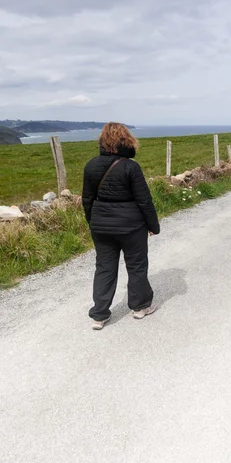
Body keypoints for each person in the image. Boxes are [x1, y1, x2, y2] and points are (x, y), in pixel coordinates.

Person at [82, 122, 160, 330]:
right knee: (136, 266)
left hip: (101, 226)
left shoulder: (90, 165)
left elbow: (87, 199)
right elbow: (144, 200)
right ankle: (140, 307)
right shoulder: (130, 167)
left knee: (104, 268)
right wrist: (153, 225)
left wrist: (93, 222)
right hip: (131, 226)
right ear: (126, 140)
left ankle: (99, 315)